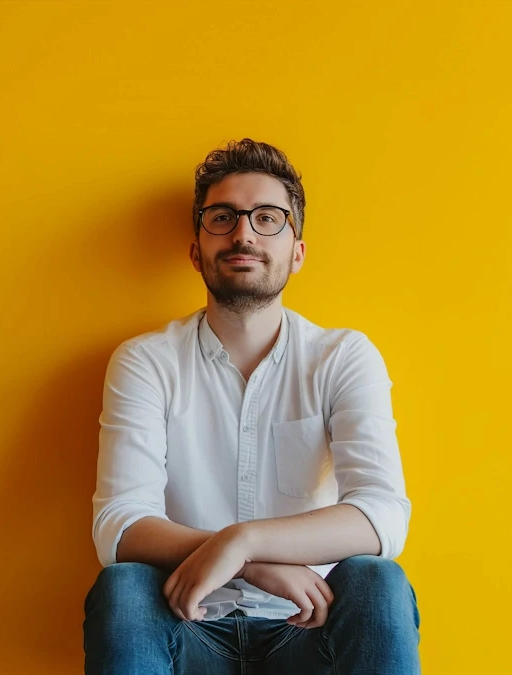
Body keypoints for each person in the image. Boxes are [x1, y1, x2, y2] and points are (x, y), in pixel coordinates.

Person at [83, 139, 420, 674]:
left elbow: (381, 513)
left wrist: (245, 540)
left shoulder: (343, 356)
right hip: (186, 624)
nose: (243, 233)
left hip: (310, 626)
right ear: (197, 249)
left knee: (378, 582)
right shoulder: (146, 361)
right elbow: (120, 525)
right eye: (223, 218)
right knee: (123, 587)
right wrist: (253, 563)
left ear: (297, 251)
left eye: (268, 218)